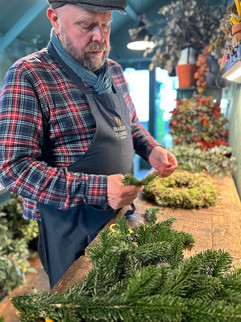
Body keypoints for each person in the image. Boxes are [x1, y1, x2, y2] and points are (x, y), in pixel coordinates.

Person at [0, 0, 178, 288]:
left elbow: (130, 125)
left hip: (122, 217)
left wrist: (151, 149)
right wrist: (100, 189)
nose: (100, 36)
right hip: (70, 233)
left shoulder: (116, 71)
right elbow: (14, 169)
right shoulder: (28, 75)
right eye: (86, 25)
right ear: (54, 19)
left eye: (106, 25)